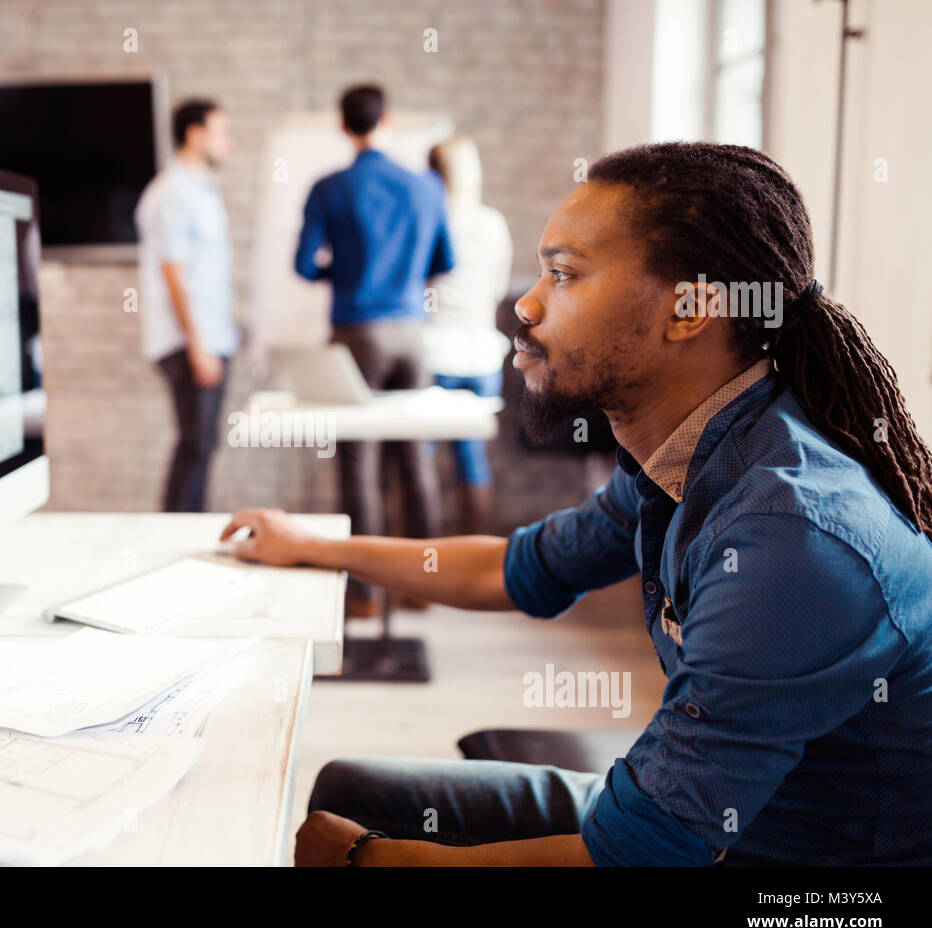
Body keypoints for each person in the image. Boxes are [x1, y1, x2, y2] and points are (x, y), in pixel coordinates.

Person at [221, 142, 932, 866]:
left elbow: (642, 849)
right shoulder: (691, 451)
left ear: (689, 310)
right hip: (709, 828)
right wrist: (310, 546)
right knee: (349, 787)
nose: (526, 305)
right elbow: (515, 568)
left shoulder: (791, 537)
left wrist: (371, 859)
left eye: (563, 275)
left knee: (351, 836)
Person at [295, 84, 453, 616]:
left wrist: (341, 271)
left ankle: (363, 593)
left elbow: (301, 265)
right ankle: (421, 587)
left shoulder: (328, 187)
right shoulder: (426, 187)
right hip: (411, 331)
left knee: (358, 461)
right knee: (414, 454)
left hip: (355, 332)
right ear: (387, 120)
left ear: (342, 127)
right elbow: (445, 260)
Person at [134, 98, 238, 513]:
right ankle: (176, 537)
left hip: (209, 337)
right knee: (196, 445)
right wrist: (198, 344)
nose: (229, 142)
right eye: (221, 132)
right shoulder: (173, 193)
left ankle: (189, 533)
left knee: (202, 445)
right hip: (190, 342)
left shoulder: (200, 190)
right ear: (195, 135)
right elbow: (172, 272)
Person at [424, 136, 513, 533]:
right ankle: (477, 559)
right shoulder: (492, 223)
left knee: (419, 459)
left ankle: (418, 563)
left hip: (435, 352)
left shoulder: (430, 220)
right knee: (472, 458)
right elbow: (497, 289)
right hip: (481, 355)